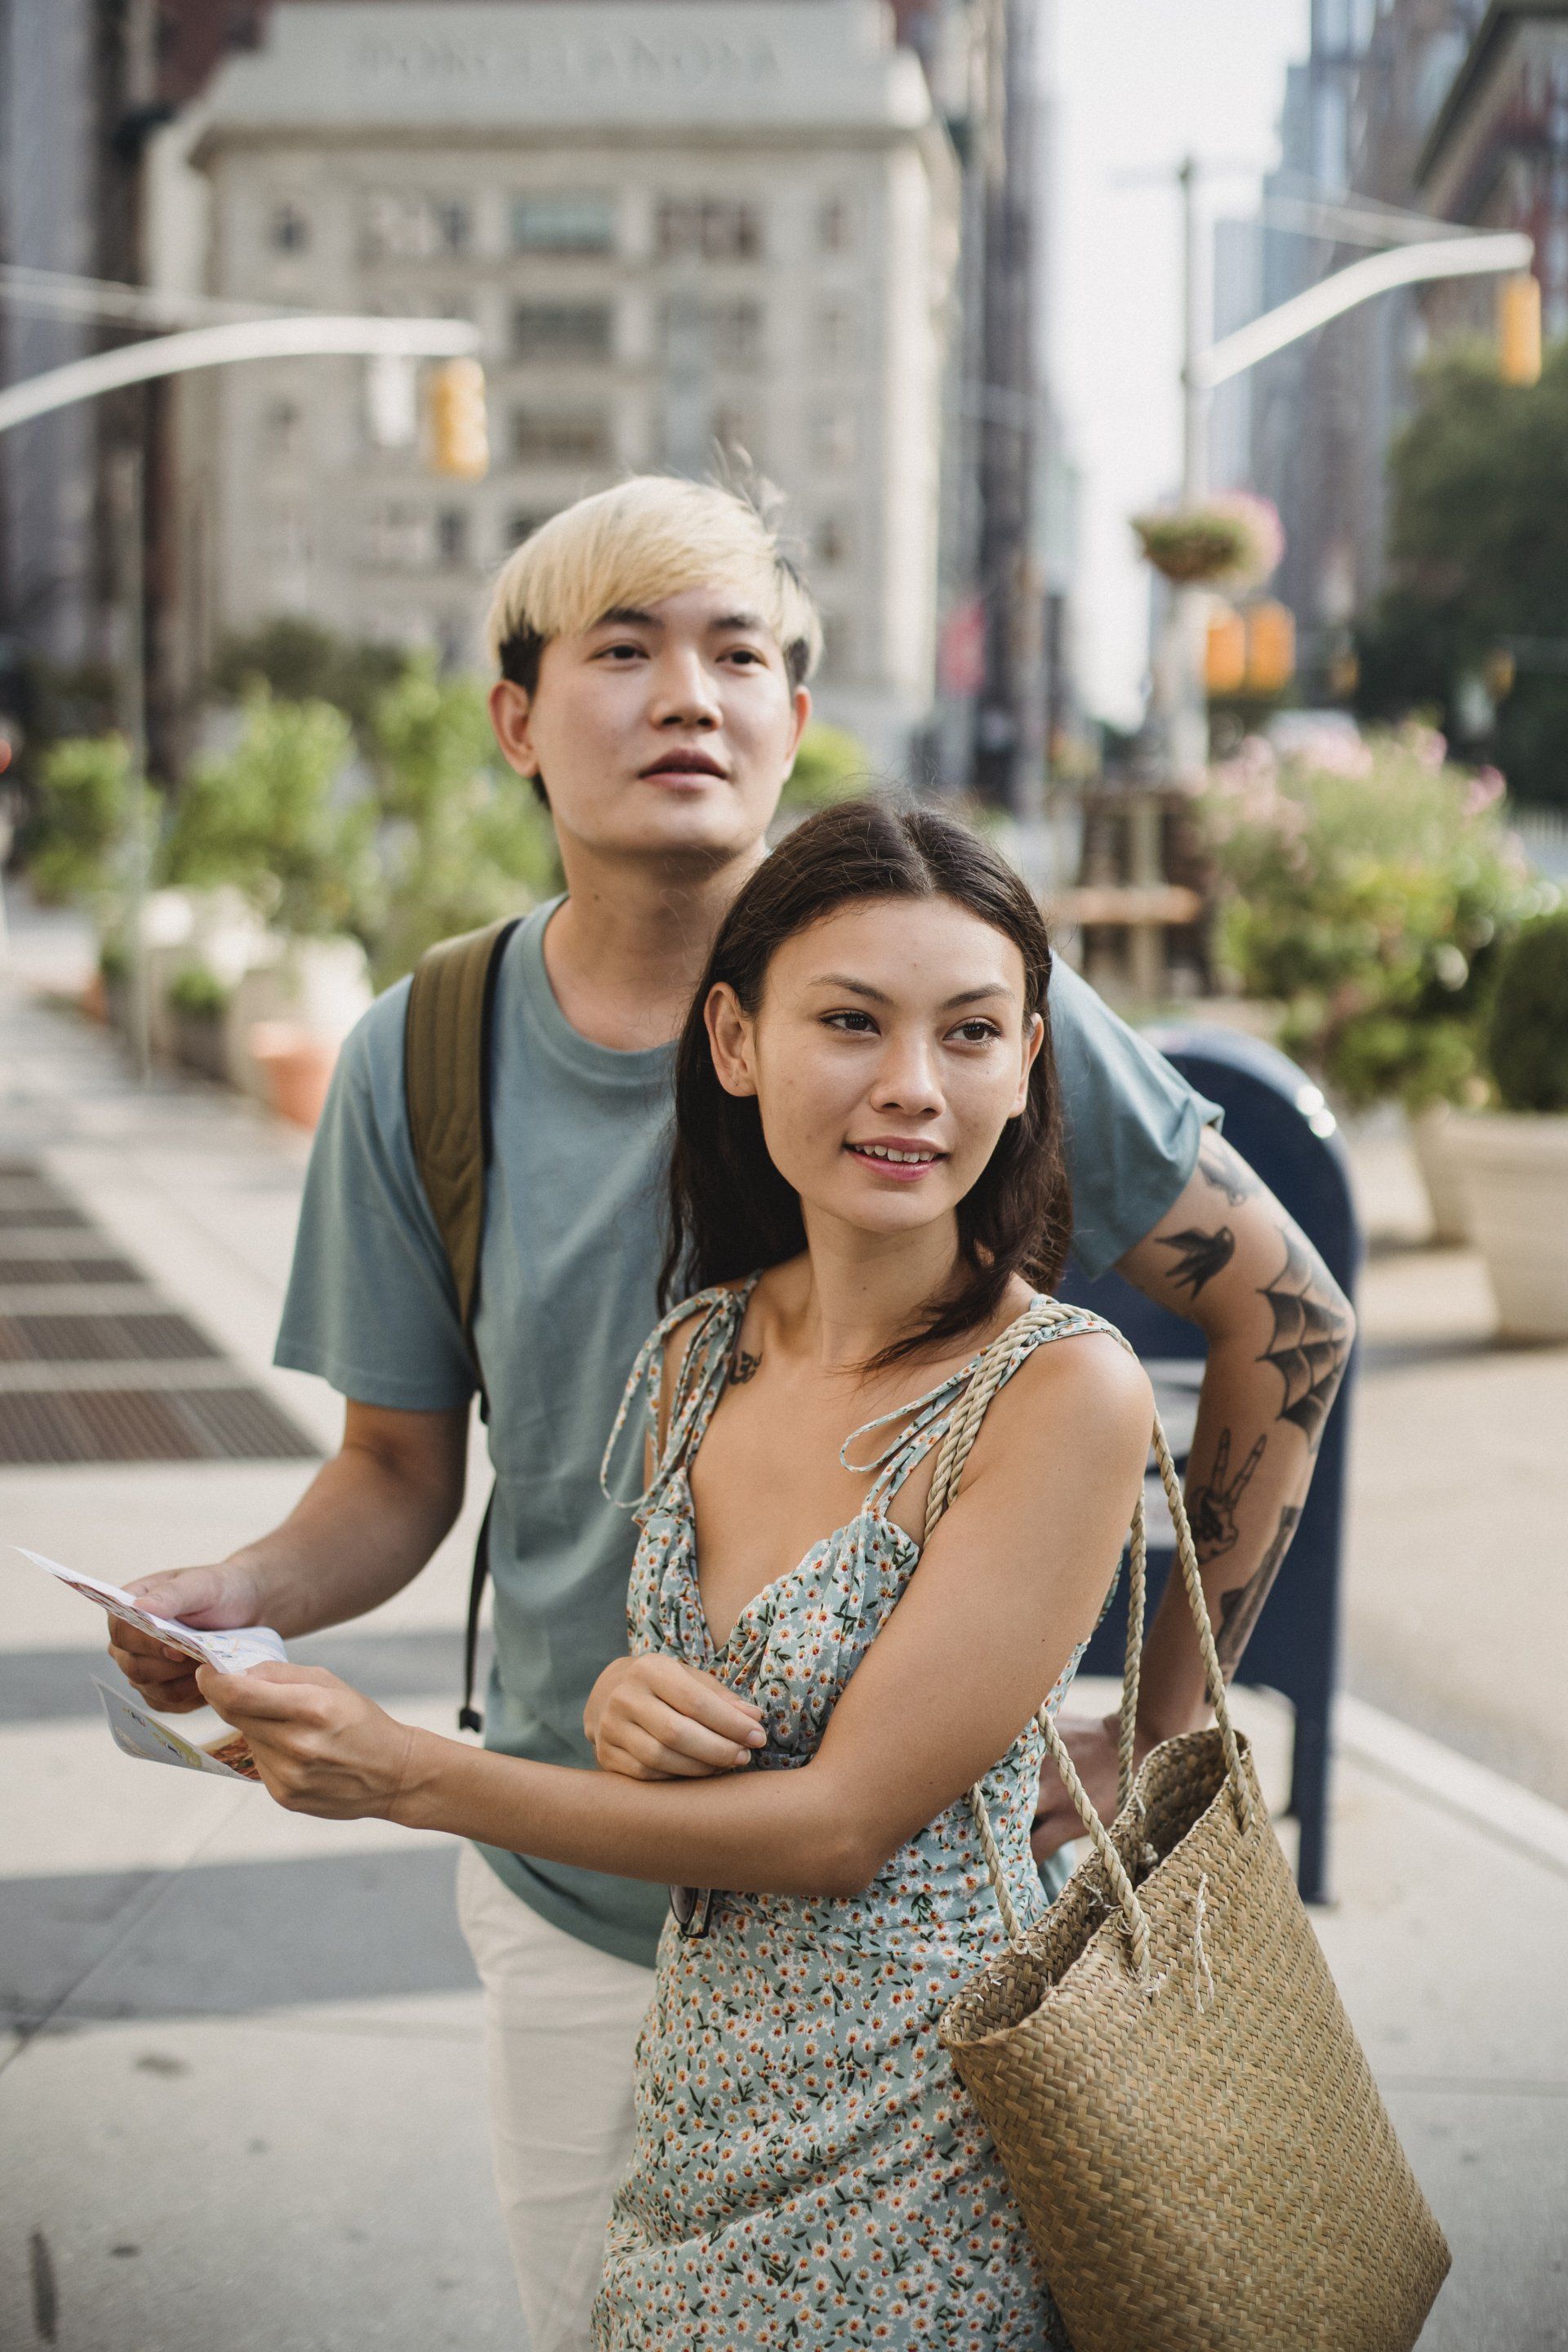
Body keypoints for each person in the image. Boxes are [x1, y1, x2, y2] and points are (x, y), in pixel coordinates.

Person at [108, 475, 1353, 2350]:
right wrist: (238, 1590)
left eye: (740, 654)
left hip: (905, 1977)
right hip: (569, 1895)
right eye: (624, 650)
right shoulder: (422, 1055)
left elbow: (1287, 1314)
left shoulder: (952, 989)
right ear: (520, 721)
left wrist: (1159, 1733)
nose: (688, 693)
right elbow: (394, 1472)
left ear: (793, 716)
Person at [182, 798, 1156, 2348]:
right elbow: (725, 1710)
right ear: (736, 1036)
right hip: (695, 2112)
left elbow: (840, 1828)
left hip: (923, 2141)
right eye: (851, 1021)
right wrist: (640, 1696)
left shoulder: (1059, 1391)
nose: (915, 1087)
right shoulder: (700, 1350)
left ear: (1029, 1061)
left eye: (973, 1034)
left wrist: (410, 1776)